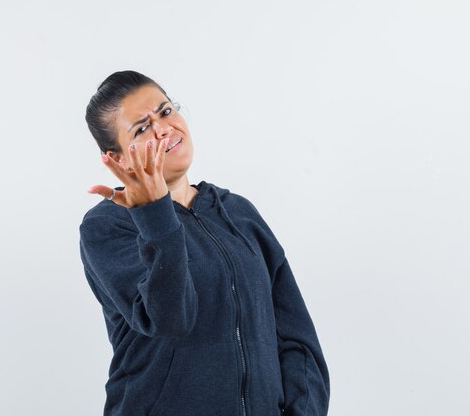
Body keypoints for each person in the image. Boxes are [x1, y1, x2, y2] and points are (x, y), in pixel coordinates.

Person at [79, 70, 330, 416]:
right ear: (119, 159)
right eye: (142, 128)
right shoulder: (108, 226)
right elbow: (171, 320)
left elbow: (296, 337)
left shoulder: (237, 213)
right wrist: (154, 213)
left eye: (165, 112)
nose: (163, 128)